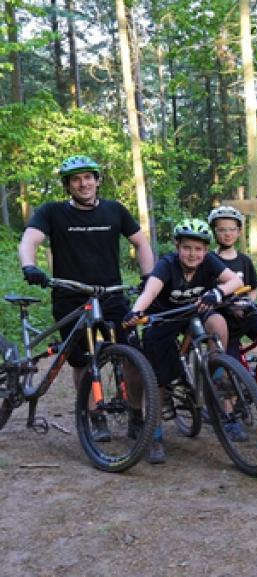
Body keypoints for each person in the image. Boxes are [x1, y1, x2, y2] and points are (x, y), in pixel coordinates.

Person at [18, 154, 154, 442]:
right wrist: (29, 265)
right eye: (76, 179)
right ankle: (95, 417)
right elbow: (30, 239)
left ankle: (136, 415)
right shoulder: (52, 212)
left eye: (88, 177)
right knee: (82, 362)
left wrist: (148, 277)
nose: (83, 183)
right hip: (71, 297)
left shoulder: (115, 210)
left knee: (134, 357)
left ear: (97, 180)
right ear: (68, 185)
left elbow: (141, 242)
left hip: (112, 295)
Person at [123, 218, 243, 464]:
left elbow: (236, 280)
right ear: (177, 247)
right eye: (187, 248)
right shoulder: (166, 265)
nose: (192, 254)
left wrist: (217, 292)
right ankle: (154, 433)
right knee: (158, 378)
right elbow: (151, 291)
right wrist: (136, 312)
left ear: (205, 251)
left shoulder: (209, 261)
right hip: (164, 318)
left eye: (198, 249)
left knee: (218, 322)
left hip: (195, 312)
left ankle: (217, 371)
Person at [208, 206, 257, 390]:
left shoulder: (244, 260)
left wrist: (249, 303)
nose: (227, 234)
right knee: (231, 374)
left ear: (239, 231)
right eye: (222, 229)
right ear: (214, 232)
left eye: (232, 229)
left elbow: (254, 287)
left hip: (248, 317)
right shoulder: (210, 261)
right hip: (227, 324)